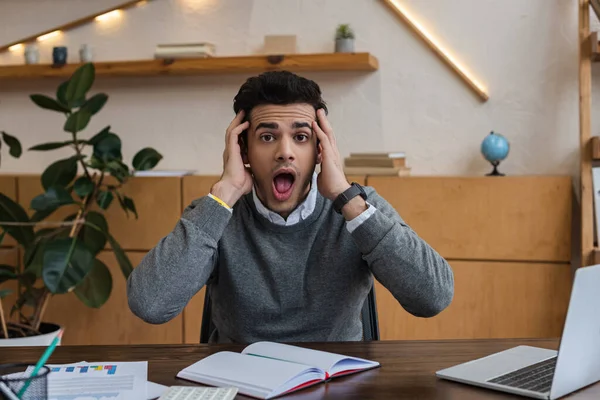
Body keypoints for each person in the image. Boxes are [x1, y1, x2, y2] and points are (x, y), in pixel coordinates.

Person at [126, 70, 454, 344]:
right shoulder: (215, 212)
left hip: (337, 383)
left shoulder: (359, 207)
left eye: (301, 137)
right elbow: (150, 305)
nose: (285, 152)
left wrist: (345, 197)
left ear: (321, 148)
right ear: (243, 150)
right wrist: (222, 197)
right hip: (240, 382)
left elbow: (433, 297)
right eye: (268, 137)